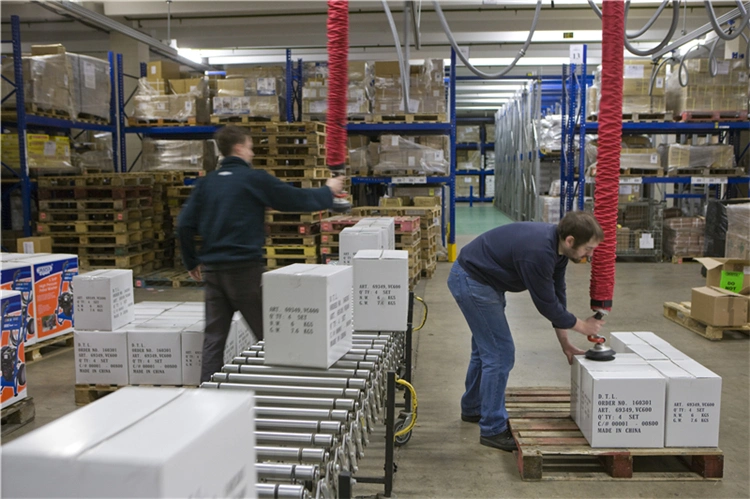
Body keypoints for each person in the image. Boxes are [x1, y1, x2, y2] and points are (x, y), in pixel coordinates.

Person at [177, 125, 344, 382]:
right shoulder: (254, 180)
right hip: (244, 273)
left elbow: (184, 225)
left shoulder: (206, 184)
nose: (252, 154)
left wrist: (191, 261)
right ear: (239, 148)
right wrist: (328, 191)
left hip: (213, 273)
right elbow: (294, 199)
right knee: (270, 335)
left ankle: (207, 397)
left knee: (213, 339)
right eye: (251, 148)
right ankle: (282, 392)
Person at [447, 211, 605, 452]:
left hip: (484, 281)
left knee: (485, 350)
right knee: (500, 354)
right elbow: (546, 305)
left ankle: (474, 408)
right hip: (473, 280)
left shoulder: (559, 250)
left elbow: (556, 297)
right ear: (571, 240)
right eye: (589, 249)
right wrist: (584, 327)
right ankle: (492, 428)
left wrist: (566, 343)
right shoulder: (538, 253)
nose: (590, 255)